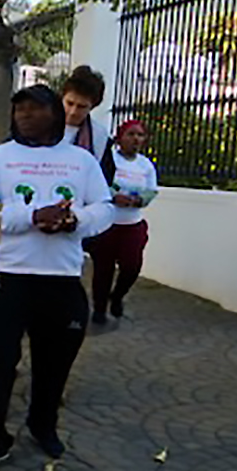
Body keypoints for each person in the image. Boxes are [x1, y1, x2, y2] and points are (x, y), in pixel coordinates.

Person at [0, 84, 114, 471]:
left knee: (55, 361)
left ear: (55, 113)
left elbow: (105, 209)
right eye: (20, 110)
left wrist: (73, 220)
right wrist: (33, 216)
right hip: (7, 278)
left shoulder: (81, 162)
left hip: (62, 278)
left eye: (35, 108)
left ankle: (42, 422)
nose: (26, 116)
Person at [89, 120, 157, 325]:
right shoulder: (110, 160)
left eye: (140, 135)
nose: (136, 139)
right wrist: (113, 197)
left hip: (132, 224)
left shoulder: (145, 165)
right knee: (103, 269)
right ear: (120, 138)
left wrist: (138, 200)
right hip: (108, 224)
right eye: (131, 134)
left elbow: (151, 190)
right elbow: (99, 183)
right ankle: (99, 309)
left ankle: (117, 296)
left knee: (132, 266)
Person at [61, 65, 114, 181]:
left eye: (81, 107)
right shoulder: (40, 126)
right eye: (69, 103)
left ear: (93, 106)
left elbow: (105, 177)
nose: (73, 112)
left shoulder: (99, 136)